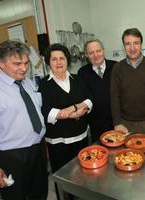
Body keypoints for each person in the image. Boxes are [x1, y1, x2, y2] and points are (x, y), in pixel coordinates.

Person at [0, 40, 48, 200]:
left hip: (37, 150)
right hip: (11, 156)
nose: (24, 68)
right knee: (15, 196)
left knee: (39, 192)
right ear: (0, 63)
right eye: (17, 63)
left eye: (26, 63)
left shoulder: (27, 83)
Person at [38, 43, 92, 198]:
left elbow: (89, 99)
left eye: (62, 58)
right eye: (54, 59)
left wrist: (74, 107)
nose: (59, 62)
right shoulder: (44, 84)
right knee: (63, 179)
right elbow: (46, 111)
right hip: (58, 142)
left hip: (81, 137)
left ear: (67, 61)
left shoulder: (77, 79)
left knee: (82, 175)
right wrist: (70, 113)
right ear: (49, 62)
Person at [110, 28, 145, 135]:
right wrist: (117, 123)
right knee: (128, 152)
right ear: (123, 46)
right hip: (125, 125)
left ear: (141, 44)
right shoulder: (117, 68)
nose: (132, 48)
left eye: (136, 43)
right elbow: (114, 97)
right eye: (127, 44)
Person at [78, 39, 117, 142]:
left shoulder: (116, 67)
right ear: (86, 55)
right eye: (91, 53)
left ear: (103, 51)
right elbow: (84, 98)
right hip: (96, 125)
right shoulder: (82, 73)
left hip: (117, 122)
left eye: (98, 51)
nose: (96, 55)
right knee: (100, 154)